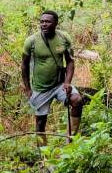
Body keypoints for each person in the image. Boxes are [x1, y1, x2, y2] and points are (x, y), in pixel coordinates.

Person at [21, 10, 82, 144]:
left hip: (60, 84)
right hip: (40, 88)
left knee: (77, 100)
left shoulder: (64, 38)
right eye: (42, 22)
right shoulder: (31, 41)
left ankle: (70, 141)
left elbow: (70, 61)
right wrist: (27, 88)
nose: (44, 24)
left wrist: (67, 82)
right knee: (40, 123)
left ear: (55, 23)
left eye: (48, 22)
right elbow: (24, 65)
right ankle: (43, 155)